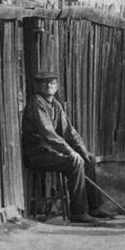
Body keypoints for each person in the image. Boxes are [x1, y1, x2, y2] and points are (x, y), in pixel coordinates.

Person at [21, 70, 110, 222]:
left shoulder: (56, 105)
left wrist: (83, 151)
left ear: (56, 86)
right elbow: (48, 133)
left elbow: (70, 132)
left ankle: (95, 207)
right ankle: (78, 212)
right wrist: (70, 151)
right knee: (74, 162)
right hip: (37, 154)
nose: (49, 85)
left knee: (87, 160)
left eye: (52, 83)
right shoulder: (36, 103)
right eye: (44, 83)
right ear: (37, 86)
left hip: (51, 153)